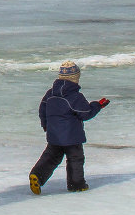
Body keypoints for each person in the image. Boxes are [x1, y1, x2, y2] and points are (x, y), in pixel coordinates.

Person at [29, 61, 108, 194]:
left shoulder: (50, 94)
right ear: (75, 78)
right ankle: (76, 184)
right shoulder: (74, 96)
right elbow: (85, 113)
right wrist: (97, 105)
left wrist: (46, 126)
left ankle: (37, 175)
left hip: (54, 135)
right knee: (75, 159)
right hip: (72, 136)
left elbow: (42, 110)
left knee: (51, 157)